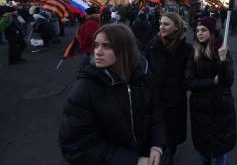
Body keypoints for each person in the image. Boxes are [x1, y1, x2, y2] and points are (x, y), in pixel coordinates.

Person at [59, 23, 166, 165]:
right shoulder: (84, 88)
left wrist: (157, 145)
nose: (98, 51)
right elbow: (75, 146)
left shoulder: (143, 76)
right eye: (96, 45)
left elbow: (155, 113)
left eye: (106, 46)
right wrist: (134, 162)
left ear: (124, 49)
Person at [185, 17, 237, 165]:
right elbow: (188, 82)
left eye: (204, 30)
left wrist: (223, 61)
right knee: (203, 147)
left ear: (212, 32)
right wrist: (211, 82)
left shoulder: (223, 50)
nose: (199, 33)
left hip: (221, 105)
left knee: (221, 147)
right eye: (197, 30)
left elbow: (227, 81)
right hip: (200, 107)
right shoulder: (194, 51)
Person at [145, 12, 192, 165]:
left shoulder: (186, 49)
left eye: (166, 24)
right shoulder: (152, 45)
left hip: (174, 104)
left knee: (171, 141)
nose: (162, 27)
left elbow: (189, 76)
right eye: (160, 24)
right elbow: (144, 70)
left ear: (176, 27)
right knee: (154, 139)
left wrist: (177, 92)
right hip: (153, 101)